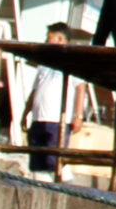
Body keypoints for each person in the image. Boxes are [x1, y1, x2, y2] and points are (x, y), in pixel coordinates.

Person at [25, 23, 82, 176]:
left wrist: (78, 115)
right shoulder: (43, 63)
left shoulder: (72, 61)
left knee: (55, 161)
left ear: (60, 39)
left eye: (49, 38)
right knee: (37, 161)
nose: (46, 41)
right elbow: (35, 89)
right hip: (38, 119)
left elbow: (81, 87)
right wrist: (26, 112)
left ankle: (66, 186)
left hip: (57, 120)